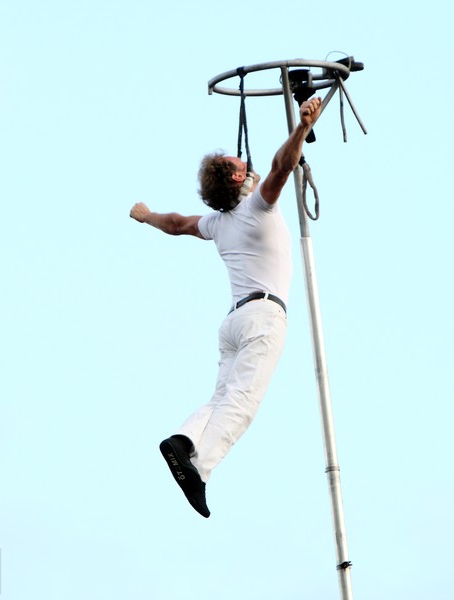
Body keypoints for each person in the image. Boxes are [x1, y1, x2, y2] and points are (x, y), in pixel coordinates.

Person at [130, 97, 323, 518]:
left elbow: (178, 223)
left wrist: (146, 216)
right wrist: (301, 128)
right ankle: (200, 469)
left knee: (221, 398)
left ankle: (184, 440)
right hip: (263, 318)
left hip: (234, 321)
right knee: (241, 403)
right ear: (238, 178)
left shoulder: (216, 223)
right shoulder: (258, 207)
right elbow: (280, 168)